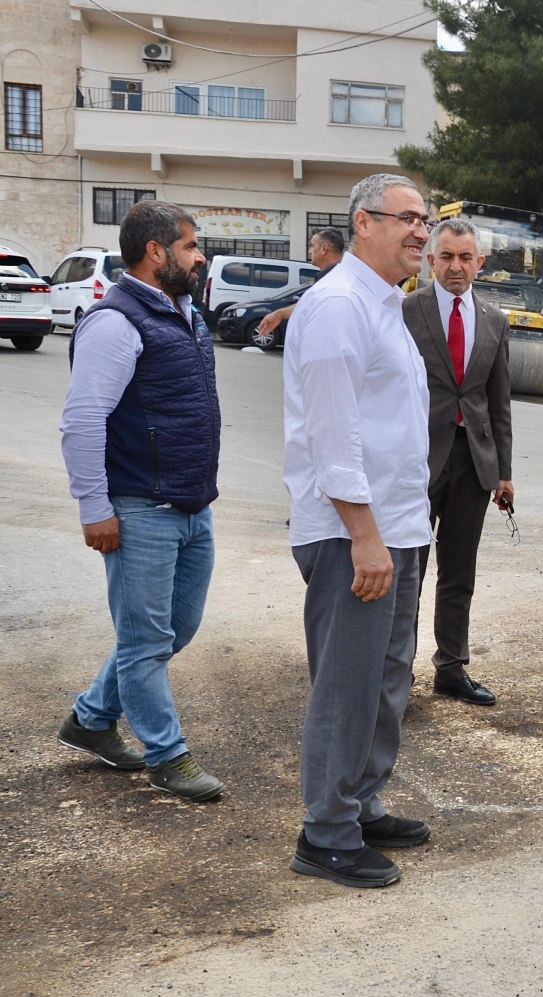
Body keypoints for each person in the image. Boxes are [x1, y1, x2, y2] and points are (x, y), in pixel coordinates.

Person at [282, 173, 436, 889]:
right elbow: (333, 438)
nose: (420, 231)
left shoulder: (384, 307)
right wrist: (364, 537)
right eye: (406, 218)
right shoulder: (339, 305)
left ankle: (359, 801)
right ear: (362, 222)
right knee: (347, 685)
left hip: (397, 529)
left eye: (425, 220)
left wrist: (396, 533)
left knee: (386, 679)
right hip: (355, 537)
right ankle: (327, 831)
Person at [57, 200, 225, 801]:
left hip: (190, 505)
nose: (200, 255)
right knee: (145, 641)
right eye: (190, 245)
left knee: (172, 629)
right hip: (138, 509)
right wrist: (94, 508)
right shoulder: (115, 322)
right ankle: (167, 755)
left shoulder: (184, 310)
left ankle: (91, 719)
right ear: (156, 253)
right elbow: (81, 422)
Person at [402, 217, 514, 706]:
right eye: (446, 256)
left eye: (465, 257)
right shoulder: (407, 311)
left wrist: (504, 472)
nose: (455, 266)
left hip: (473, 463)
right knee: (409, 569)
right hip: (414, 461)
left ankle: (451, 668)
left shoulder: (494, 320)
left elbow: (499, 400)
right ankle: (395, 674)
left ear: (479, 263)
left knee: (459, 572)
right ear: (430, 260)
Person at [256, 228, 345, 340]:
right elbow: (309, 304)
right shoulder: (330, 277)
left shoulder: (339, 281)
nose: (310, 251)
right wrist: (279, 314)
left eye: (312, 245)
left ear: (324, 249)